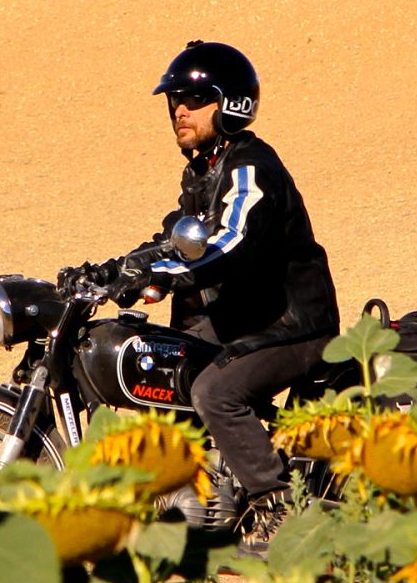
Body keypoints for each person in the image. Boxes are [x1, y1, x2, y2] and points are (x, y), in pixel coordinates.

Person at [103, 40, 340, 544]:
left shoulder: (250, 165)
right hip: (247, 318)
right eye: (173, 102)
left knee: (215, 391)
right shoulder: (202, 170)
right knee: (161, 359)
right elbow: (181, 237)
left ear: (230, 104)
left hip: (294, 323)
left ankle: (279, 509)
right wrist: (116, 270)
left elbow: (230, 243)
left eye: (193, 100)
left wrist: (165, 276)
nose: (179, 111)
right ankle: (194, 497)